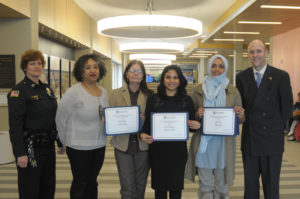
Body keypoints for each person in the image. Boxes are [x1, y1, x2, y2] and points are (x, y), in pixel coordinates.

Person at [236, 39, 293, 199]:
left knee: (271, 187)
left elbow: (287, 108)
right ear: (248, 55)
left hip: (272, 141)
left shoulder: (280, 76)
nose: (256, 55)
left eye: (259, 51)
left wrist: (274, 127)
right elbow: (241, 106)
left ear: (266, 53)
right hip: (250, 140)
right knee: (250, 188)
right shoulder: (242, 77)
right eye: (252, 52)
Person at [185, 54, 245, 199]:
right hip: (204, 144)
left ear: (226, 69)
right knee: (204, 185)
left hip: (223, 144)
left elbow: (240, 120)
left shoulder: (233, 90)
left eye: (221, 66)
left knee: (221, 185)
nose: (217, 69)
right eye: (213, 65)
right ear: (209, 67)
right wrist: (197, 114)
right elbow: (191, 116)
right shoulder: (199, 90)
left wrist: (241, 115)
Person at [7, 49, 64, 199]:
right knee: (30, 189)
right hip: (30, 149)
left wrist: (60, 141)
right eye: (32, 63)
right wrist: (20, 153)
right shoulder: (18, 91)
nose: (37, 66)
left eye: (39, 63)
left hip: (48, 147)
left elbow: (53, 119)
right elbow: (15, 126)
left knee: (48, 187)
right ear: (25, 67)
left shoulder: (46, 89)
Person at [140, 65, 201, 199]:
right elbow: (147, 125)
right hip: (157, 150)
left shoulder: (187, 100)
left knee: (176, 188)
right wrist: (142, 134)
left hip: (177, 151)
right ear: (163, 79)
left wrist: (196, 125)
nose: (171, 80)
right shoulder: (153, 99)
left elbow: (190, 126)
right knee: (160, 189)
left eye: (175, 77)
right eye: (168, 77)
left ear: (180, 80)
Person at [55, 54, 109, 199]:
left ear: (100, 70)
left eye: (96, 67)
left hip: (99, 144)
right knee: (81, 182)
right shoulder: (74, 92)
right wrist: (61, 142)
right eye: (88, 67)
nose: (93, 70)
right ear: (81, 71)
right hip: (78, 146)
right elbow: (60, 119)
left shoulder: (103, 92)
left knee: (92, 182)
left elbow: (106, 115)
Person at [109, 60, 153, 199]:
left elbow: (153, 120)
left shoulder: (150, 95)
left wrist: (142, 118)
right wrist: (108, 120)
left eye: (139, 71)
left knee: (140, 185)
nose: (135, 74)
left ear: (143, 76)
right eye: (132, 71)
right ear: (126, 74)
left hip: (143, 146)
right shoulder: (115, 94)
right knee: (127, 187)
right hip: (123, 145)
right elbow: (111, 118)